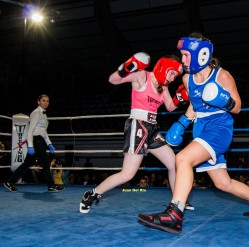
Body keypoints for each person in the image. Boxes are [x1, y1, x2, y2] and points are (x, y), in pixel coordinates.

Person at [137, 32, 249, 234]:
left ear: (201, 54)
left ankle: (174, 215)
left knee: (183, 159)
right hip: (201, 129)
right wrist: (182, 122)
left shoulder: (222, 75)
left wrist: (223, 100)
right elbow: (194, 105)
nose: (182, 60)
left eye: (185, 55)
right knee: (222, 183)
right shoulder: (187, 78)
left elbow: (237, 107)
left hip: (219, 128)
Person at [79, 52, 194, 213]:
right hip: (138, 124)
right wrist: (126, 68)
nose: (173, 78)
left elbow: (169, 106)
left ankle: (178, 201)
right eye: (173, 73)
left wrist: (181, 98)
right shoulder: (142, 76)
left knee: (174, 164)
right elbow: (113, 80)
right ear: (165, 66)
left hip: (153, 128)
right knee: (127, 175)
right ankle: (92, 194)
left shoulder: (164, 86)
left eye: (176, 75)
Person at [4, 94, 64, 192]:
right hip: (35, 140)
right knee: (45, 162)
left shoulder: (44, 115)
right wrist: (30, 146)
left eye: (47, 101)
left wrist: (49, 143)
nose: (46, 102)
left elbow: (43, 131)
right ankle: (51, 185)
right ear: (38, 102)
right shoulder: (36, 113)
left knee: (27, 163)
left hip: (39, 140)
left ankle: (10, 182)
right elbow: (30, 130)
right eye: (43, 100)